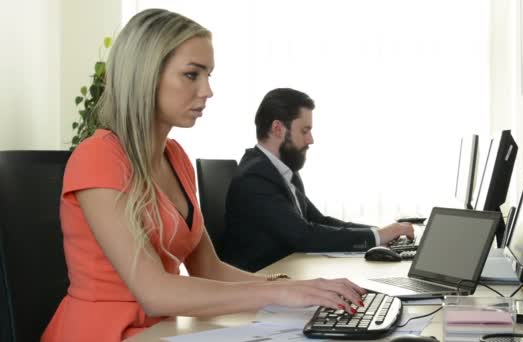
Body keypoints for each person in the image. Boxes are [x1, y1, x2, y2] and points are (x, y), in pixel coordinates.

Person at [42, 9, 365, 342]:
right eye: (192, 75)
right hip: (105, 332)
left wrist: (302, 289)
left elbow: (209, 269)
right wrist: (279, 294)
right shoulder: (99, 157)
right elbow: (154, 293)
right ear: (146, 75)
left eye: (208, 75)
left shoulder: (175, 156)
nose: (208, 90)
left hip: (162, 330)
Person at [221, 88, 414, 272]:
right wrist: (378, 236)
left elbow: (319, 221)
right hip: (262, 284)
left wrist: (380, 232)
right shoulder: (255, 176)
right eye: (304, 131)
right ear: (278, 129)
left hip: (288, 271)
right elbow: (303, 235)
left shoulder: (281, 170)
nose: (310, 139)